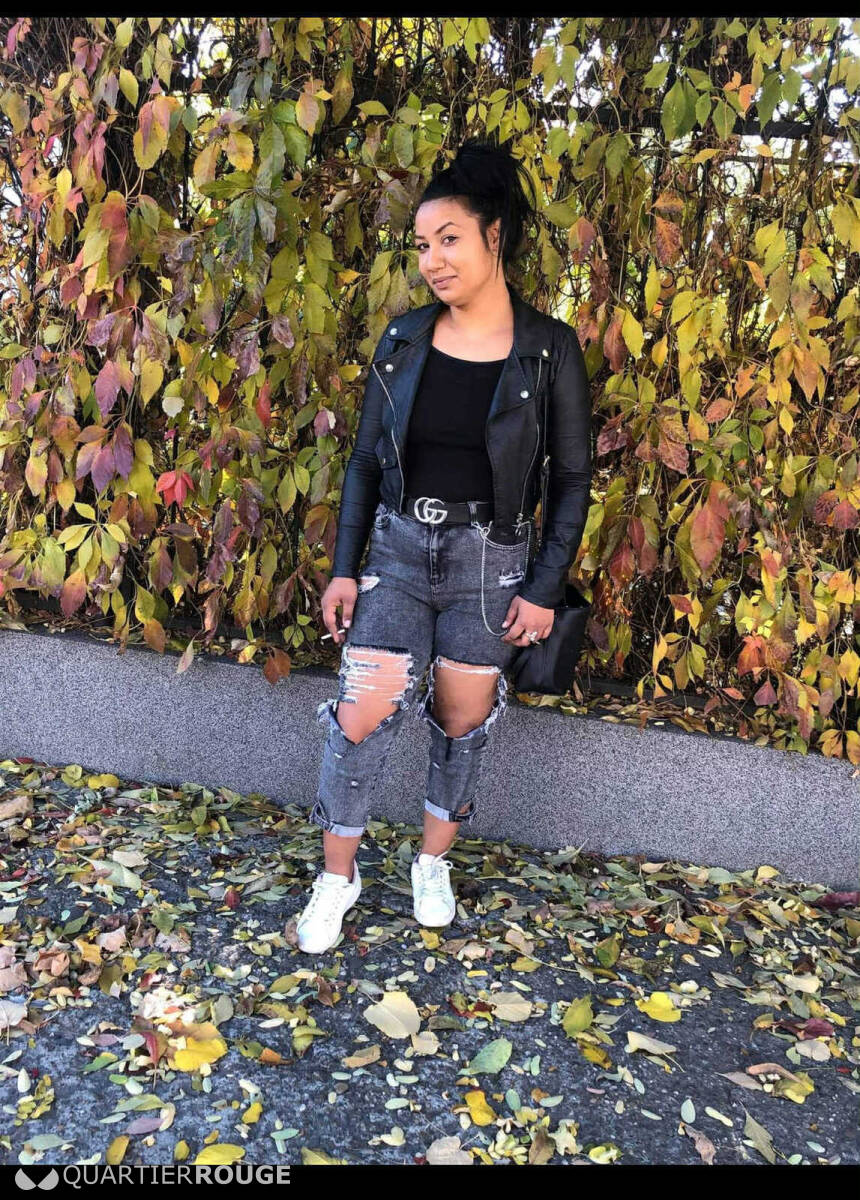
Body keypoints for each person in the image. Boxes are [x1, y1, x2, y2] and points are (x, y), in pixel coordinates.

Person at [296, 137, 592, 954]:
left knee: (461, 721)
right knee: (360, 713)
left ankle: (431, 863)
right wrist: (345, 567)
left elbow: (572, 479)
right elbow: (364, 461)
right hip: (396, 552)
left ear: (495, 236)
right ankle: (337, 878)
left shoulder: (549, 348)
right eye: (423, 244)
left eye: (449, 239)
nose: (432, 260)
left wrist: (544, 586)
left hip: (491, 566)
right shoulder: (403, 339)